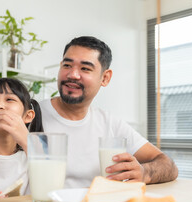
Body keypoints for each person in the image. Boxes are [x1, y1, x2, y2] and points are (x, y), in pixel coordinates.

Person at [39, 36, 178, 187]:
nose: (73, 74)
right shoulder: (30, 115)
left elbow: (168, 165)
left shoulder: (109, 123)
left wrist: (144, 172)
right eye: (67, 65)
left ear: (105, 78)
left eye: (85, 68)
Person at [0, 78, 43, 195]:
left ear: (28, 116)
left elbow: (49, 191)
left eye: (9, 99)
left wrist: (26, 140)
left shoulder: (33, 157)